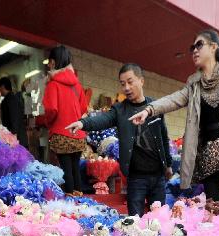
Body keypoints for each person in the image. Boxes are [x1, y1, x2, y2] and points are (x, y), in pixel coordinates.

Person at [129, 29, 219, 209]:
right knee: (212, 208)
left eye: (199, 45)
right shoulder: (194, 83)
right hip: (208, 152)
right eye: (192, 47)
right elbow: (174, 99)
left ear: (214, 47)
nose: (194, 50)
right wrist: (149, 110)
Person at [67, 63, 173, 215]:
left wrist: (168, 165)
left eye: (130, 82)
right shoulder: (120, 110)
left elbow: (163, 138)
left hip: (158, 177)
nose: (126, 88)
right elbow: (102, 119)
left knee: (158, 221)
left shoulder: (155, 107)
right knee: (134, 224)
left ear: (141, 81)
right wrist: (83, 123)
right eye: (123, 84)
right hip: (136, 179)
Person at [37, 45, 89, 194]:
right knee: (75, 169)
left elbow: (52, 109)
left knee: (66, 171)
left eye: (49, 62)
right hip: (78, 135)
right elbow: (84, 108)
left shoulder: (53, 84)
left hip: (61, 134)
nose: (48, 65)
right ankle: (80, 202)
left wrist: (48, 122)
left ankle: (71, 203)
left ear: (53, 62)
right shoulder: (77, 85)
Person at [0, 76, 28, 147]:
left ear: (3, 87)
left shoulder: (10, 99)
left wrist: (13, 135)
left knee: (19, 157)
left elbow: (14, 117)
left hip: (16, 138)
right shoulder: (13, 98)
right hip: (17, 137)